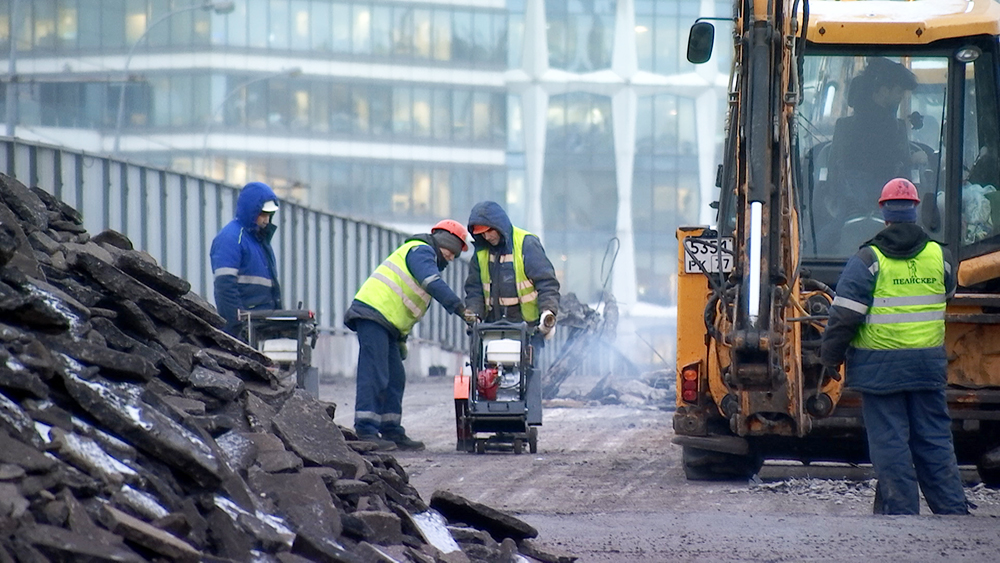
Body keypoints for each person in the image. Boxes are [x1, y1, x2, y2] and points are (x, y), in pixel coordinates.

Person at [820, 178, 968, 515]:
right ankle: (952, 510)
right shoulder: (939, 256)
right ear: (915, 210)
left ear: (883, 212)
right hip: (927, 367)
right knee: (934, 439)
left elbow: (844, 317)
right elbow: (946, 296)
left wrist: (830, 358)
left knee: (890, 442)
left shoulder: (868, 260)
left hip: (880, 369)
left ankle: (901, 512)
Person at [344, 219, 478, 451]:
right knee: (375, 373)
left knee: (395, 377)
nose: (451, 258)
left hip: (387, 325)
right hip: (373, 315)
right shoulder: (421, 250)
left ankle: (391, 429)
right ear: (443, 242)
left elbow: (403, 307)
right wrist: (459, 308)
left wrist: (400, 340)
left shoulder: (423, 255)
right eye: (451, 252)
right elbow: (432, 283)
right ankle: (365, 430)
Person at [465, 201, 560, 426]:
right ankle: (490, 415)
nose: (487, 238)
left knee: (525, 377)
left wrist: (548, 312)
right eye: (482, 234)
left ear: (498, 226)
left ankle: (523, 419)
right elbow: (475, 290)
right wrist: (473, 315)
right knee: (488, 374)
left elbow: (546, 283)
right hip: (491, 328)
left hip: (526, 328)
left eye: (489, 232)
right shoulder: (480, 255)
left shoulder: (526, 244)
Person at [820, 58, 924, 253]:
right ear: (883, 90)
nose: (901, 96)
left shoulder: (844, 126)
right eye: (899, 91)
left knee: (824, 239)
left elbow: (835, 165)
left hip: (848, 204)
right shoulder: (892, 127)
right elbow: (892, 164)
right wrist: (915, 158)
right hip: (882, 203)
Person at [210, 181, 282, 337]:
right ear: (251, 210)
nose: (266, 220)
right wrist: (238, 327)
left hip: (260, 328)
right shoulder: (230, 239)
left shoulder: (260, 241)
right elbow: (225, 288)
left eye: (269, 215)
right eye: (263, 214)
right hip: (247, 330)